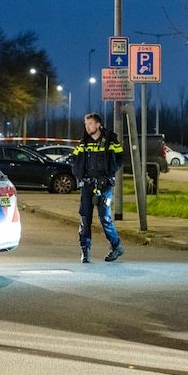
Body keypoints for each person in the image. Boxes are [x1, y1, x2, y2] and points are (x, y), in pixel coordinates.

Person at [70, 113, 125, 264]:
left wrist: (110, 173)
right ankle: (85, 251)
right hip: (87, 185)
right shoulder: (83, 142)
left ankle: (116, 247)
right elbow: (74, 159)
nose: (87, 127)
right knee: (85, 218)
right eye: (86, 124)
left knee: (105, 218)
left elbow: (120, 158)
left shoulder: (110, 141)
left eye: (90, 124)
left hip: (104, 185)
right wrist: (78, 173)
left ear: (98, 125)